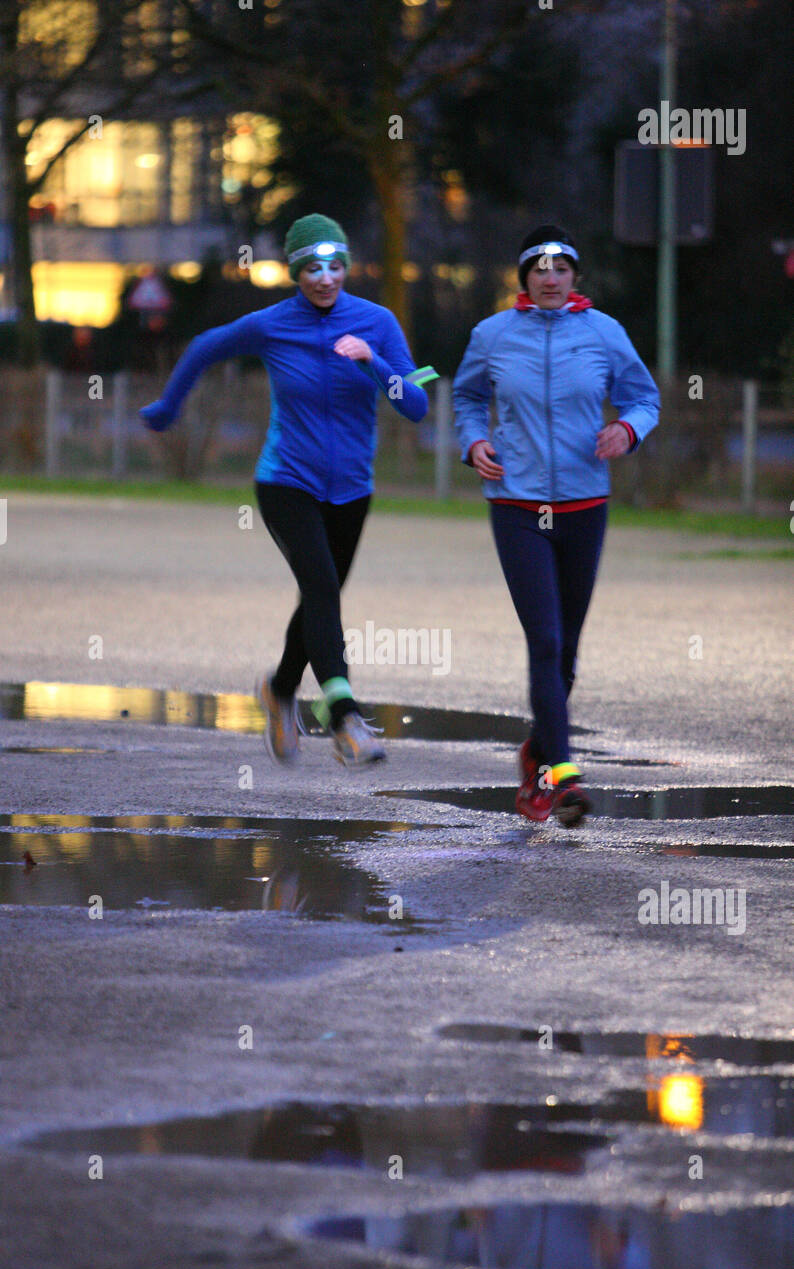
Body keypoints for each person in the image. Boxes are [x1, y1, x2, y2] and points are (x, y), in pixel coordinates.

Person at [140, 214, 431, 767]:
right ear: (297, 271)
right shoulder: (274, 324)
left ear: (346, 267)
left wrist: (374, 362)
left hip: (352, 489)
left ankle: (278, 690)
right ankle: (344, 717)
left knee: (318, 598)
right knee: (322, 587)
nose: (325, 277)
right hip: (286, 481)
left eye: (335, 265)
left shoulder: (377, 321)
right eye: (312, 267)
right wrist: (168, 407)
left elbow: (413, 405)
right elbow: (204, 346)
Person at [453, 224, 660, 826]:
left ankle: (537, 753)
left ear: (574, 276)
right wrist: (473, 441)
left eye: (560, 266)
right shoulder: (492, 335)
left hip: (583, 504)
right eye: (538, 267)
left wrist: (627, 429)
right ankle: (563, 776)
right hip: (516, 506)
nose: (549, 276)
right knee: (543, 641)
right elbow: (466, 398)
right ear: (524, 278)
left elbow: (643, 398)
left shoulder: (604, 333)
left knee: (566, 653)